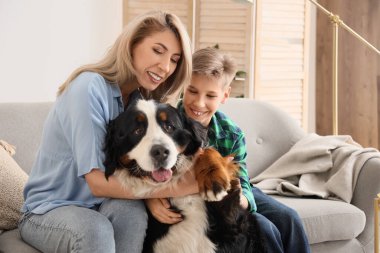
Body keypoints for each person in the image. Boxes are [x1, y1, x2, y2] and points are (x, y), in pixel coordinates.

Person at [19, 10, 197, 253]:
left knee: (132, 214)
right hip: (48, 210)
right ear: (132, 45)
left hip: (102, 204)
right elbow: (98, 183)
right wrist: (183, 186)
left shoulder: (138, 101)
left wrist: (151, 194)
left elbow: (130, 169)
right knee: (95, 229)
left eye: (175, 59)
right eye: (158, 50)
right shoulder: (88, 87)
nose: (166, 67)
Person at [146, 47, 311, 253]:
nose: (199, 103)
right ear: (183, 87)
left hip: (228, 191)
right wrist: (150, 198)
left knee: (289, 218)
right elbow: (143, 172)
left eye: (210, 95)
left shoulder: (232, 134)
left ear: (225, 95)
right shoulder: (165, 124)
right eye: (193, 91)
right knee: (265, 228)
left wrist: (239, 200)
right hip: (190, 193)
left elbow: (242, 182)